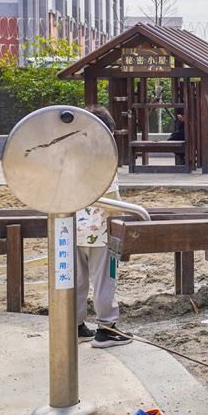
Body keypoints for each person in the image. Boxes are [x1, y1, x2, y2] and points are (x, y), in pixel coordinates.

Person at [75, 105, 131, 348]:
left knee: (76, 280)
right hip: (99, 232)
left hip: (71, 226)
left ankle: (73, 325)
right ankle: (106, 328)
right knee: (105, 279)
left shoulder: (70, 157)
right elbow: (112, 201)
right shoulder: (104, 159)